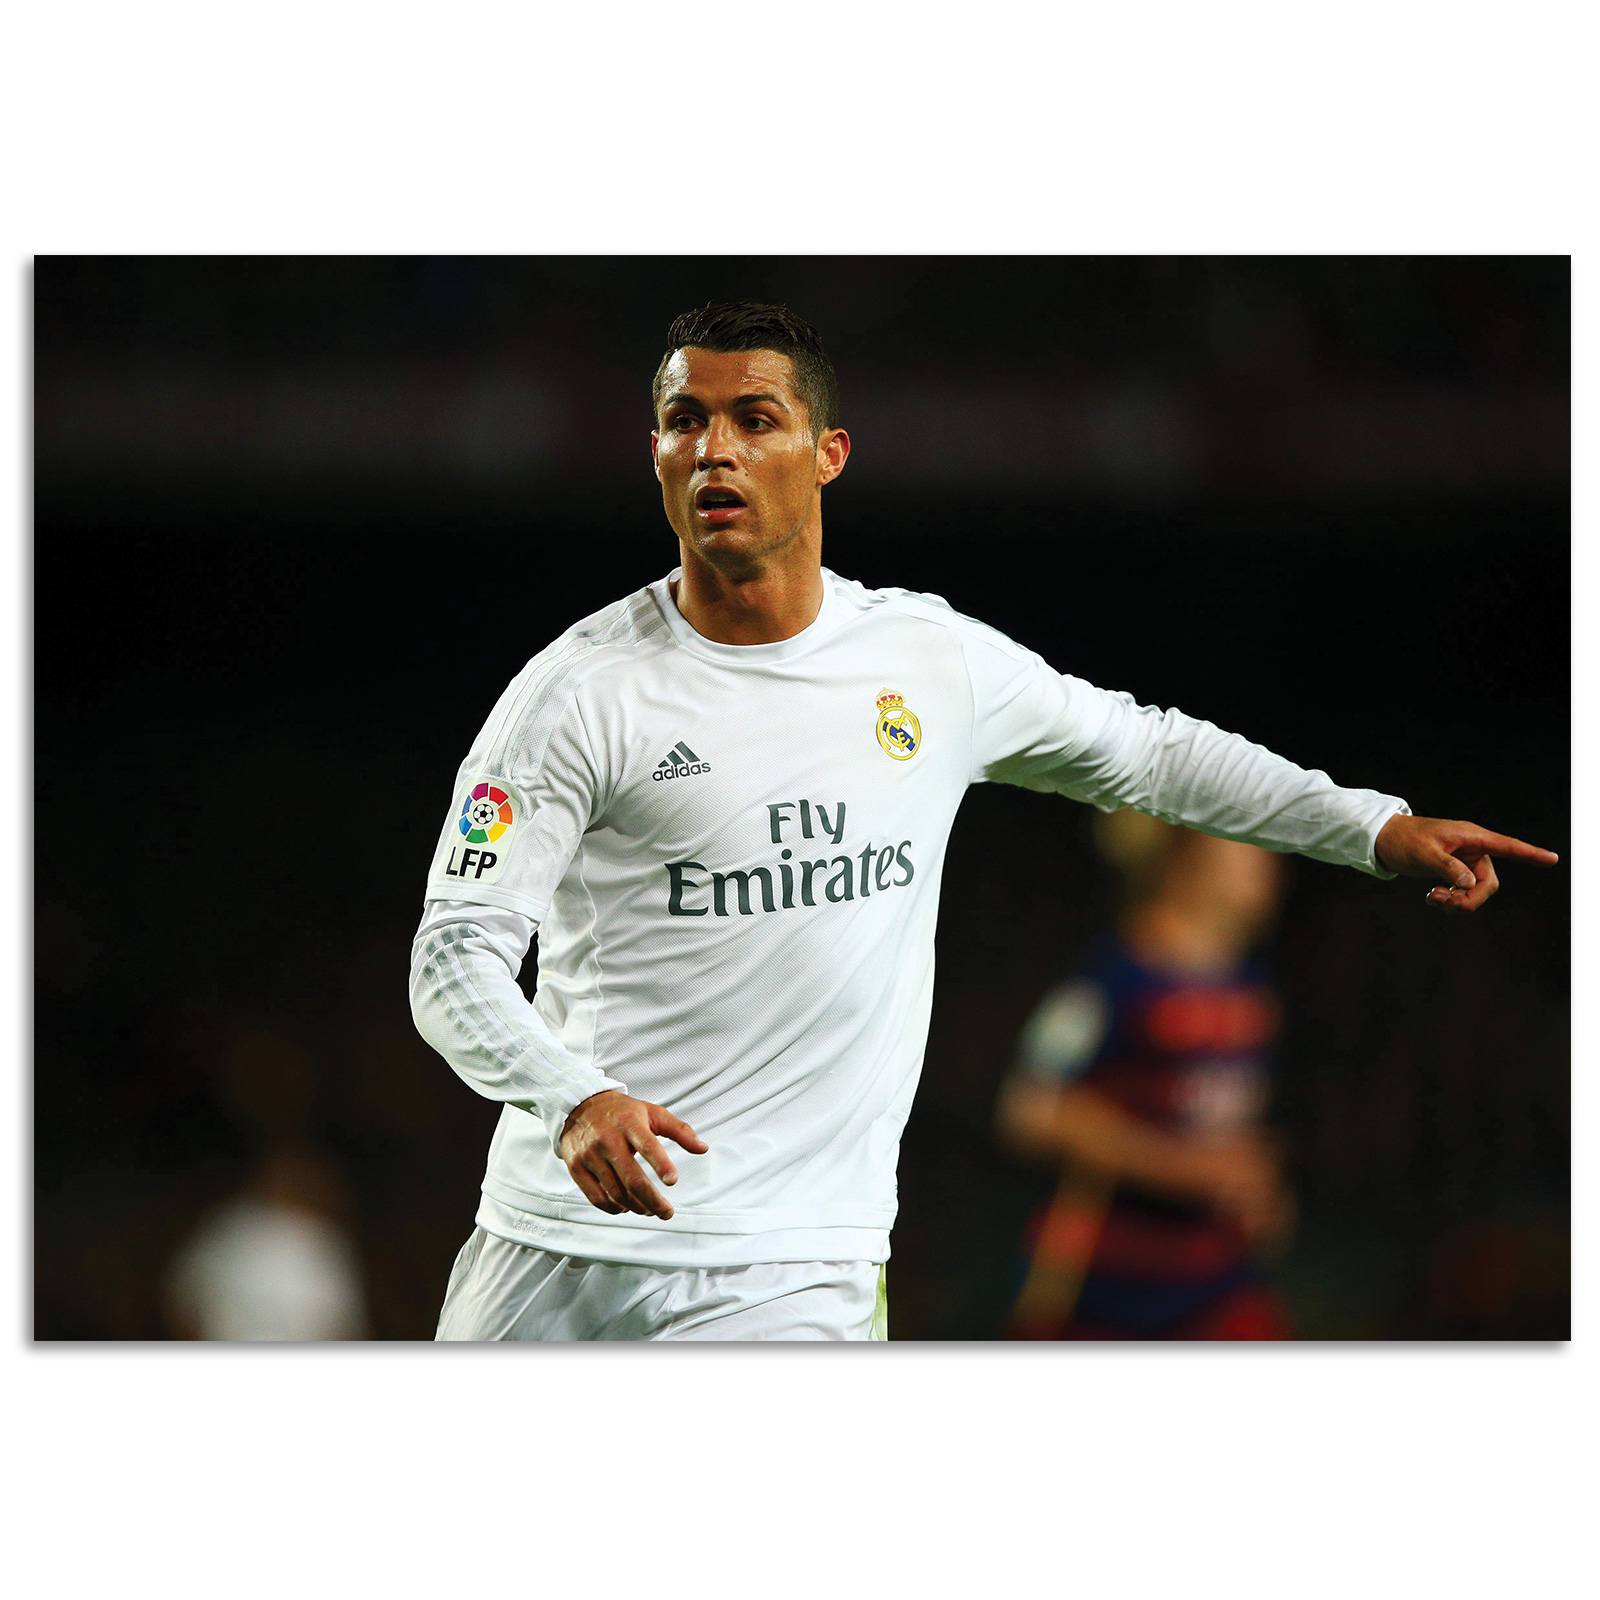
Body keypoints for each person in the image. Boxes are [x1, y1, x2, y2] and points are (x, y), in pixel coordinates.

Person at [409, 300, 1557, 1342]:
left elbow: (1150, 752)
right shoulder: (577, 695)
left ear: (827, 453)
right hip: (549, 1248)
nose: (714, 448)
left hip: (792, 1267)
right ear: (656, 452)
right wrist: (574, 1094)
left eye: (753, 419)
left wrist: (1371, 826)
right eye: (683, 421)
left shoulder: (928, 662)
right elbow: (453, 954)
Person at [996, 814, 1296, 1340]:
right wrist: (1181, 1168)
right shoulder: (1110, 981)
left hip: (1216, 1280)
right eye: (1247, 847)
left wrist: (1257, 1187)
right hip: (1109, 1286)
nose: (1268, 864)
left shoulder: (1249, 986)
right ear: (1183, 862)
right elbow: (1030, 1110)